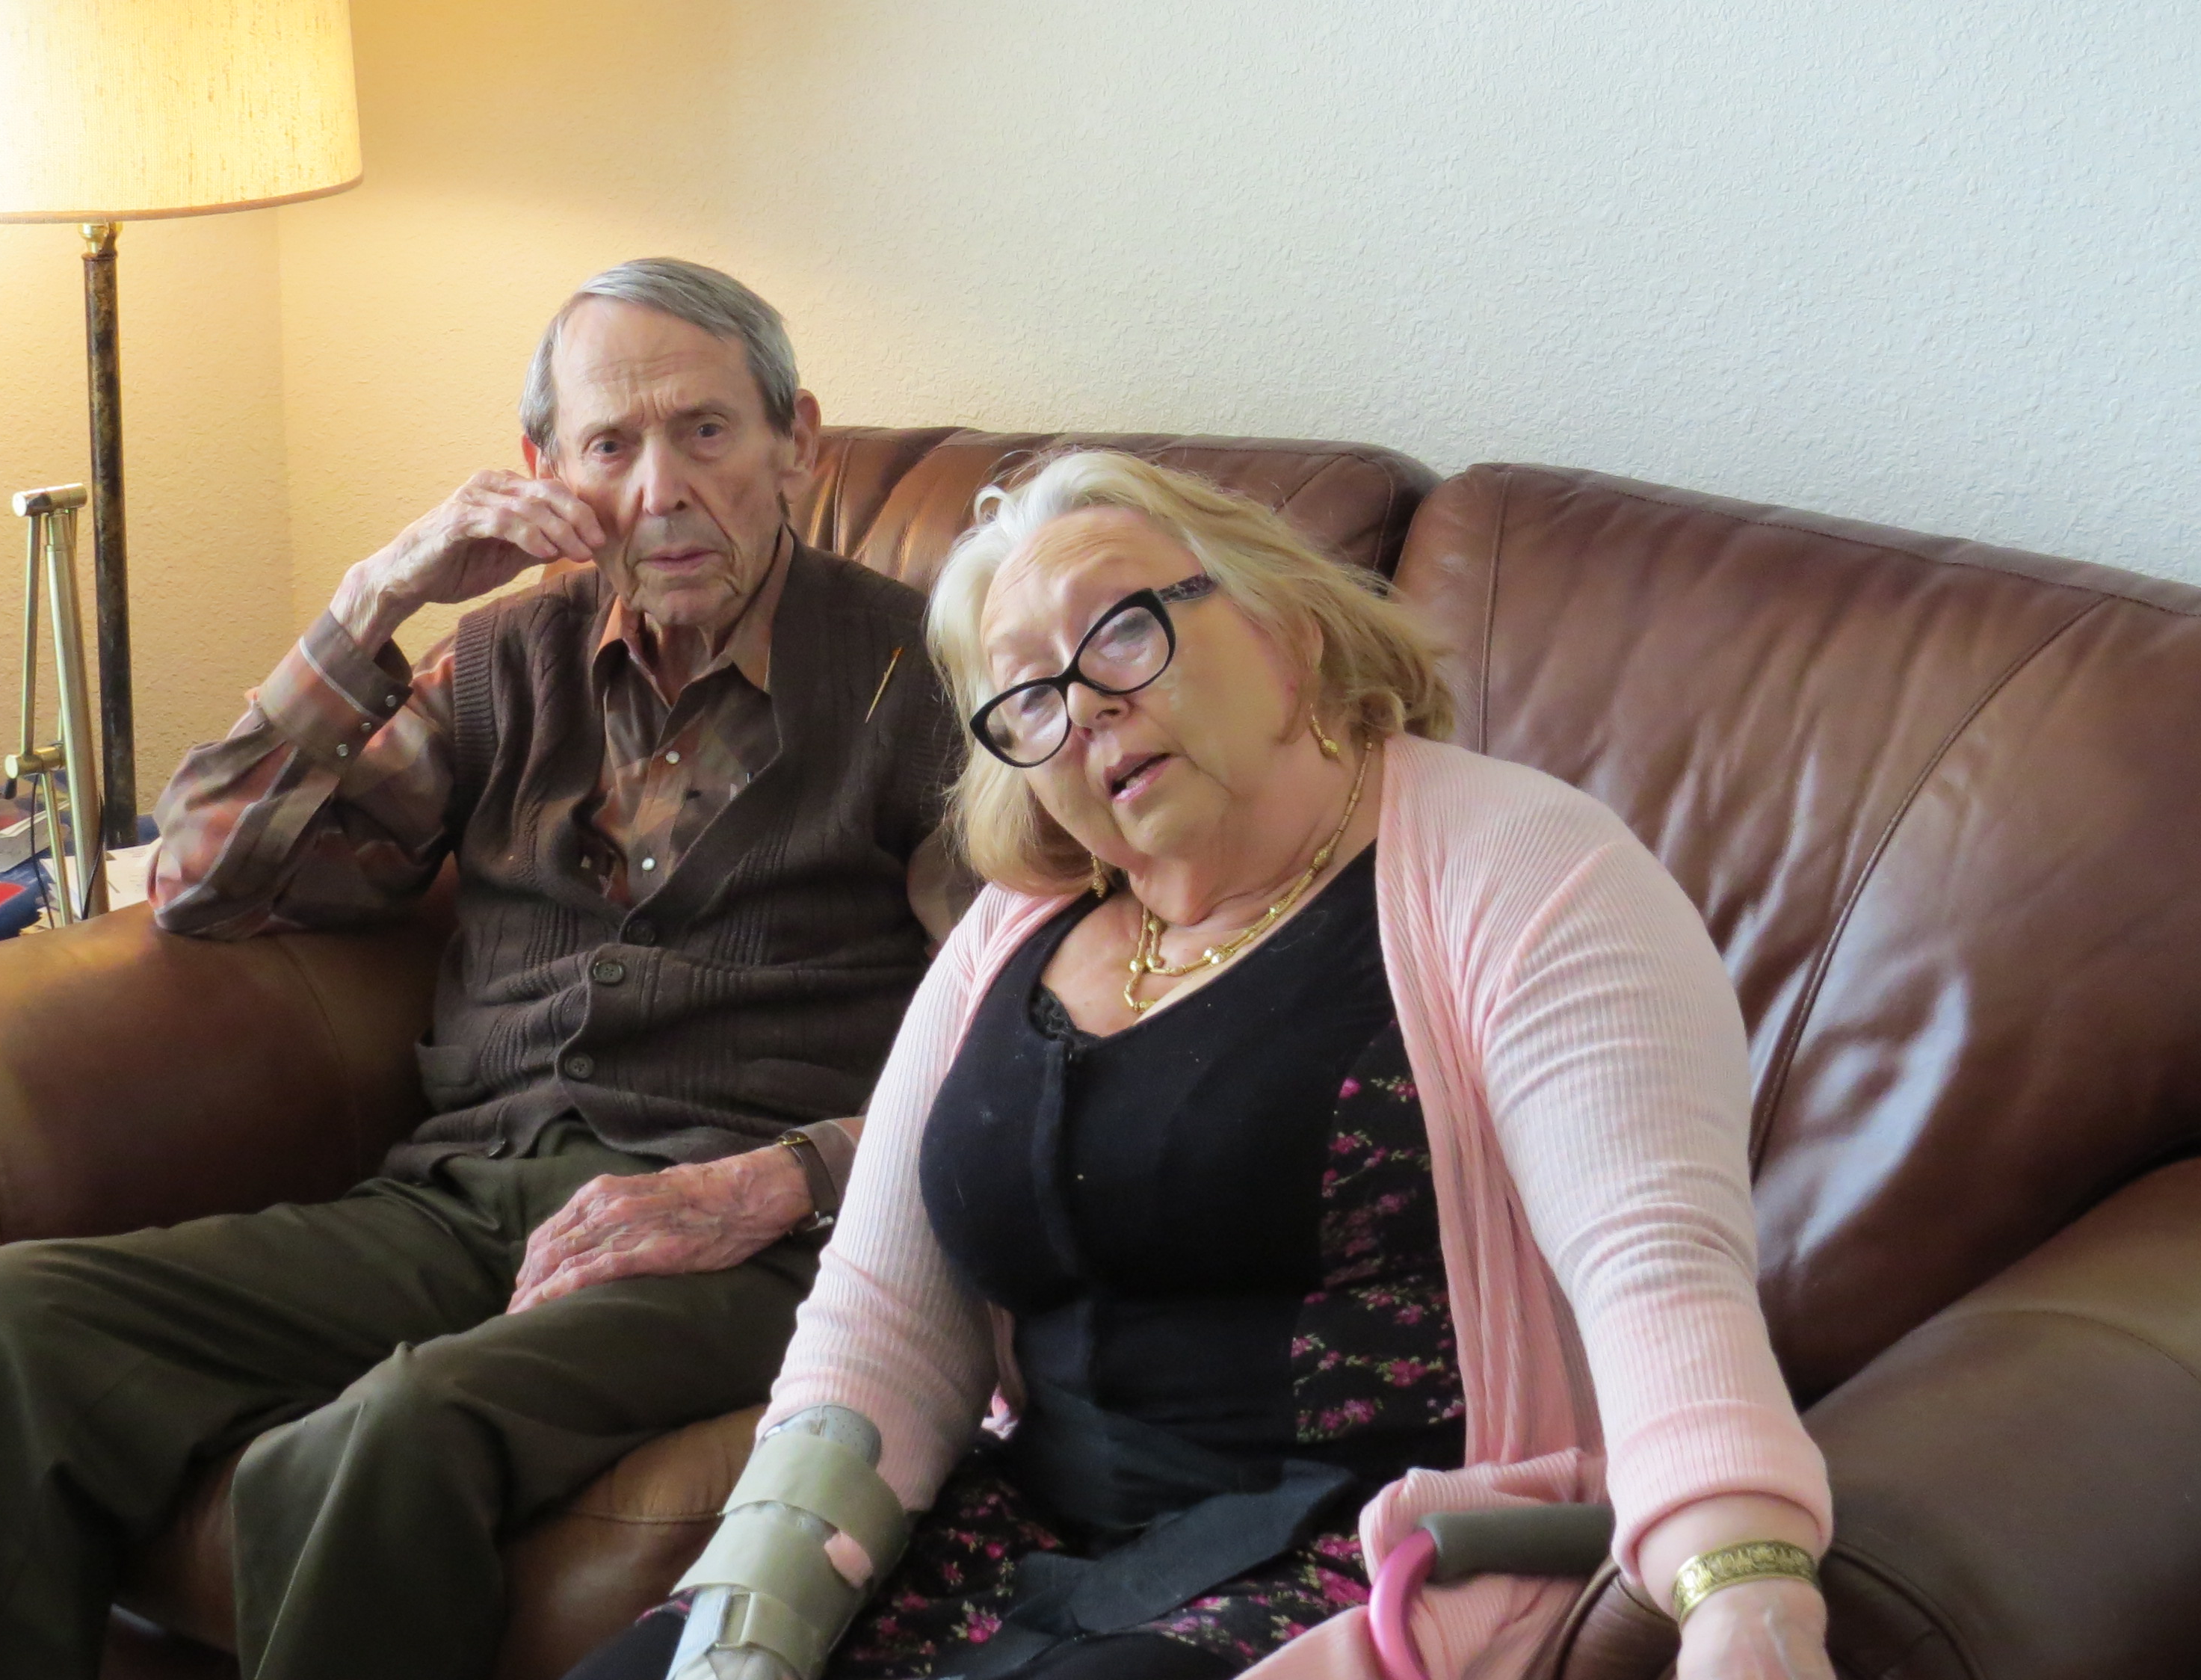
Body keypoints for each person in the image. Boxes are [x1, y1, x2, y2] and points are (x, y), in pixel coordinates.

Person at [0, 259, 972, 1680]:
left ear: (795, 439)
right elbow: (205, 882)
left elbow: (1010, 1034)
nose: (662, 489)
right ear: (545, 472)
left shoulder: (925, 684)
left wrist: (784, 1180)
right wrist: (378, 596)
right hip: (464, 1197)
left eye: (706, 431)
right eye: (611, 446)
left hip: (743, 1233)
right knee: (8, 1317)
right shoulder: (505, 661)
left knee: (397, 1427)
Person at [572, 452, 1833, 1680]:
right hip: (1022, 1542)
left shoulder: (1525, 867)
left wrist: (1746, 1596)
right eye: (1029, 697)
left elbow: (1654, 1265)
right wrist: (744, 1630)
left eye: (1122, 630)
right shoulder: (1012, 931)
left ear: (1290, 627)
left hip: (1353, 1552)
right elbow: (881, 1324)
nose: (1085, 706)